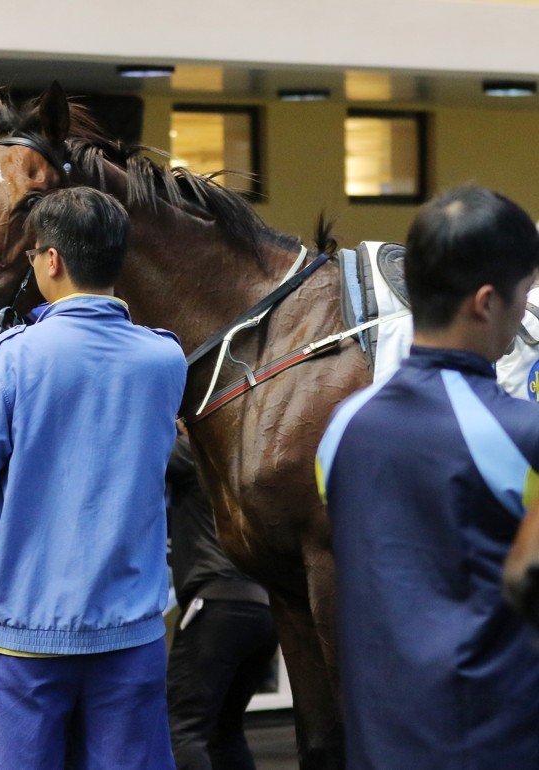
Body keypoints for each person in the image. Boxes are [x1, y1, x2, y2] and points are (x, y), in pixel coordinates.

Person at [0, 187, 186, 770]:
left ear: (50, 260)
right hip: (131, 627)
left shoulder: (13, 357)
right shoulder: (164, 359)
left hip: (23, 629)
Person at [316, 186, 539, 769]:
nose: (527, 311)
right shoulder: (524, 438)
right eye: (525, 295)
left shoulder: (341, 430)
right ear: (488, 302)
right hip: (498, 745)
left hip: (378, 745)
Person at [164, 432, 277, 770]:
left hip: (217, 606)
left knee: (181, 729)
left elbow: (144, 436)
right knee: (223, 730)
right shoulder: (253, 465)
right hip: (264, 611)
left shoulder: (197, 453)